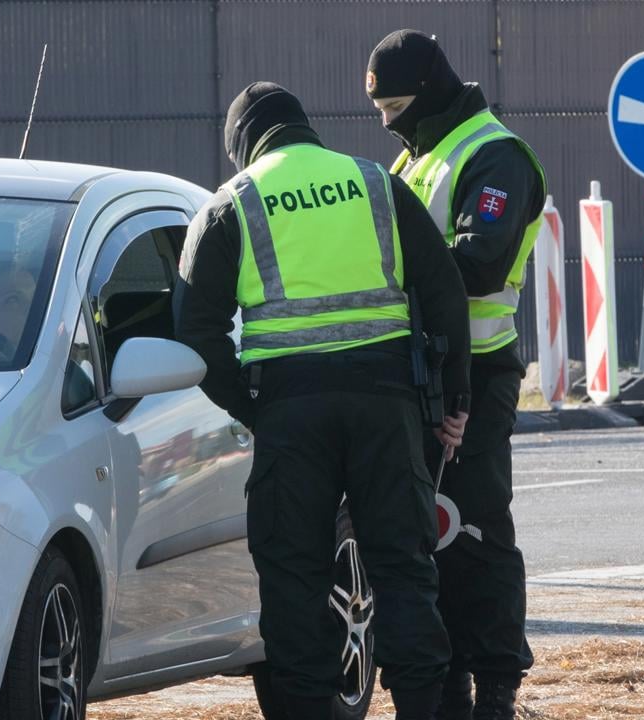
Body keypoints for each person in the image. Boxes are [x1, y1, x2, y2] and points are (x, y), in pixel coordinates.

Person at [173, 82, 472, 720]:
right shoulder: (375, 184)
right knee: (403, 572)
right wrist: (452, 396)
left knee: (293, 580)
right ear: (304, 127)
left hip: (289, 413)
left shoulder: (234, 204)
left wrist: (252, 407)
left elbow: (195, 331)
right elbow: (445, 287)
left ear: (243, 146)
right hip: (386, 406)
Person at [366, 29, 548, 720]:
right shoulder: (420, 157)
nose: (391, 123)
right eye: (383, 114)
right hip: (413, 374)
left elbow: (478, 262)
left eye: (398, 108)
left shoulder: (494, 155)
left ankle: (496, 688)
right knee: (418, 534)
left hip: (478, 372)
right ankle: (443, 688)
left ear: (432, 91)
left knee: (471, 531)